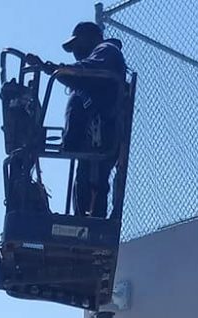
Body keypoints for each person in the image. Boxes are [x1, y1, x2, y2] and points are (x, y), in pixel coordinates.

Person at [26, 21, 127, 217]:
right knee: (83, 182)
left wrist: (52, 69)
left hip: (99, 137)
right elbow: (82, 76)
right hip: (91, 140)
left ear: (91, 38)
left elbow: (85, 73)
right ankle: (84, 225)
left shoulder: (107, 50)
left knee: (92, 183)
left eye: (77, 45)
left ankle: (90, 229)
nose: (75, 52)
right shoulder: (102, 54)